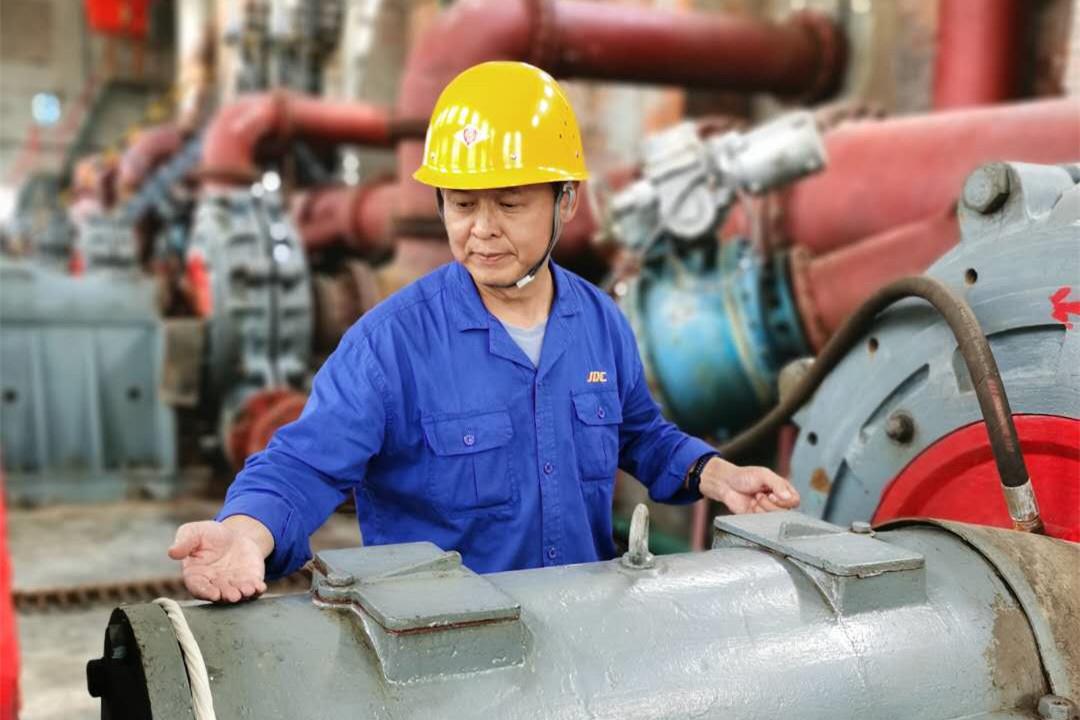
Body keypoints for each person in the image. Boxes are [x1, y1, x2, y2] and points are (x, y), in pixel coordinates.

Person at [169, 61, 799, 603]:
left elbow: (640, 435)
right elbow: (302, 464)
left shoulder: (600, 322)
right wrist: (246, 532)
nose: (483, 229)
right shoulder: (390, 346)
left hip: (584, 636)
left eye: (511, 203)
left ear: (566, 201)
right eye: (464, 204)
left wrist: (719, 476)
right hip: (444, 652)